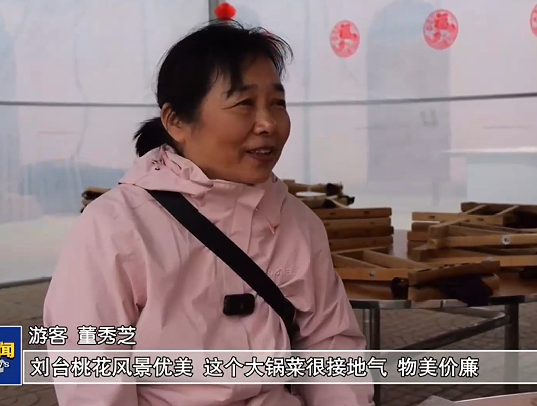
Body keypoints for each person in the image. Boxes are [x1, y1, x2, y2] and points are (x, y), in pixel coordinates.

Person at [44, 20, 374, 406]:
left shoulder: (298, 223)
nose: (268, 124)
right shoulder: (117, 226)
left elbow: (330, 348)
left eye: (278, 103)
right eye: (244, 104)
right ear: (176, 121)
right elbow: (92, 379)